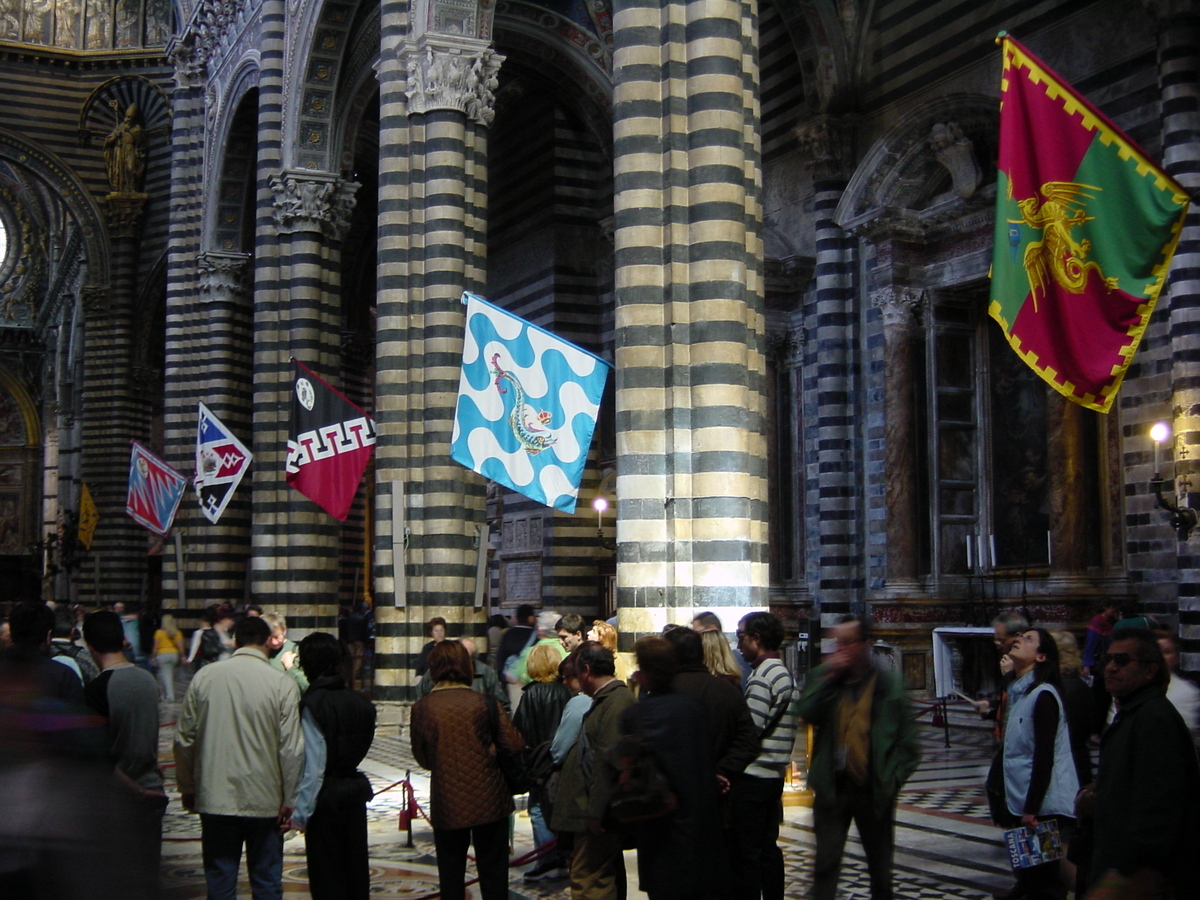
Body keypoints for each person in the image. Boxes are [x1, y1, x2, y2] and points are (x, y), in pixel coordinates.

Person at [173, 615, 305, 900]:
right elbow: (291, 748)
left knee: (220, 883)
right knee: (267, 882)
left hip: (215, 794)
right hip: (266, 798)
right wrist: (290, 799)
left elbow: (185, 739)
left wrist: (187, 787)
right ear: (269, 642)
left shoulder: (206, 677)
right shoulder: (281, 683)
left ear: (235, 641)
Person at [795, 615, 918, 900]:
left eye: (848, 642)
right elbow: (806, 712)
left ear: (865, 644)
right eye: (837, 642)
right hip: (833, 787)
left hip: (872, 788)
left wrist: (892, 779)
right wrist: (827, 680)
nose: (842, 649)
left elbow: (908, 744)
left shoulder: (888, 685)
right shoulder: (824, 678)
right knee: (825, 863)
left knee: (880, 868)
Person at [1081, 627, 1200, 899]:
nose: (1110, 667)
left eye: (1122, 661)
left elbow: (1160, 800)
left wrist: (1137, 870)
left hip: (1140, 874)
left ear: (1150, 670)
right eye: (1107, 660)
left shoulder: (1154, 717)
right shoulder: (1132, 713)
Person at [410, 640, 524, 900]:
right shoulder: (485, 702)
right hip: (490, 799)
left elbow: (423, 758)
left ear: (434, 668)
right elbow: (514, 744)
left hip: (448, 799)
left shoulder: (422, 708)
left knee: (450, 876)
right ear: (466, 665)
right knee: (494, 875)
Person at [620, 636, 723, 899]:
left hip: (660, 826)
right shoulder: (695, 707)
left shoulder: (636, 715)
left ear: (643, 672)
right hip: (701, 824)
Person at [82, 610, 168, 891]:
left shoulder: (97, 689)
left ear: (89, 645)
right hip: (153, 791)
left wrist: (136, 793)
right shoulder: (147, 680)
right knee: (147, 880)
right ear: (122, 639)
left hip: (119, 798)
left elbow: (97, 758)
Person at [291, 632, 376, 900]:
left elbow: (315, 765)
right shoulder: (362, 703)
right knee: (354, 872)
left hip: (325, 801)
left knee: (328, 877)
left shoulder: (313, 704)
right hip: (353, 794)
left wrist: (301, 813)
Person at [995, 628, 1078, 900]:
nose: (1018, 639)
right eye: (1018, 636)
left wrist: (1031, 809)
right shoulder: (1021, 692)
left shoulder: (1043, 695)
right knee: (1030, 878)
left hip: (1043, 807)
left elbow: (1044, 756)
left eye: (1028, 639)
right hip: (1025, 803)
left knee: (1046, 884)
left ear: (1041, 656)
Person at [551, 641, 636, 900]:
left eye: (575, 673)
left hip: (598, 814)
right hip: (591, 809)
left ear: (586, 670)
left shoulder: (616, 702)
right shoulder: (606, 700)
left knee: (590, 884)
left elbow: (607, 764)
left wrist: (596, 811)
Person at [728, 612, 799, 900]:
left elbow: (750, 731)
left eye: (741, 636)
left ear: (756, 639)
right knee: (767, 847)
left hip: (755, 776)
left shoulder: (763, 677)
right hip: (773, 774)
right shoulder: (780, 671)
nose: (739, 643)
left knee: (748, 851)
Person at [663, 627, 759, 797]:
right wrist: (722, 771)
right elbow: (748, 742)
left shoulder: (664, 692)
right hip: (716, 794)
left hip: (673, 795)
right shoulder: (728, 690)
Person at [513, 642, 573, 882]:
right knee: (562, 809)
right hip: (564, 761)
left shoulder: (532, 695)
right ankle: (564, 857)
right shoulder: (567, 691)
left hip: (540, 764)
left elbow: (521, 732)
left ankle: (547, 860)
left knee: (538, 809)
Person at [415, 637, 510, 713]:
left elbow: (502, 705)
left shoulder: (485, 672)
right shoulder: (434, 672)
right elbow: (421, 700)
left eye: (468, 658)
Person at [1154, 628, 1200, 748]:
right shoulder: (1129, 687)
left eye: (1166, 652)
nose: (1161, 657)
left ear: (1175, 657)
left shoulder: (1185, 692)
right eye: (1156, 651)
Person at [496, 605, 538, 710]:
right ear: (530, 618)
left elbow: (500, 657)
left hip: (513, 680)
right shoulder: (536, 635)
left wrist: (502, 677)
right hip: (532, 681)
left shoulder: (508, 634)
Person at [262, 611, 309, 693]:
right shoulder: (261, 651)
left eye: (277, 637)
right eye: (269, 638)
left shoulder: (297, 651)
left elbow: (307, 686)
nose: (274, 642)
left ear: (284, 630)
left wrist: (290, 667)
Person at [587, 618, 633, 684]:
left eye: (594, 631)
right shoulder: (591, 655)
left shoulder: (614, 657)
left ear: (602, 637)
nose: (588, 633)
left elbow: (621, 681)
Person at [151, 613, 185, 702]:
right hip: (174, 655)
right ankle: (164, 695)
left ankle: (169, 697)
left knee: (166, 675)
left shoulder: (158, 632)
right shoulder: (177, 633)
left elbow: (156, 646)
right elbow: (180, 646)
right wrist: (183, 656)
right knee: (167, 675)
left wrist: (153, 656)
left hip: (163, 655)